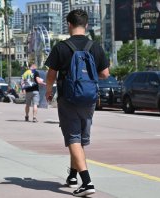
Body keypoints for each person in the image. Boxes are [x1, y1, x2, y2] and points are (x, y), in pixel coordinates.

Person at [45, 9, 109, 197]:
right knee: (80, 139)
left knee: (73, 138)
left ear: (69, 24)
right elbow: (105, 74)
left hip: (68, 97)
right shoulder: (95, 46)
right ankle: (73, 176)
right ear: (86, 25)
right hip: (89, 99)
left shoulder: (61, 47)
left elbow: (51, 74)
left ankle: (87, 182)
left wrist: (49, 90)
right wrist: (88, 79)